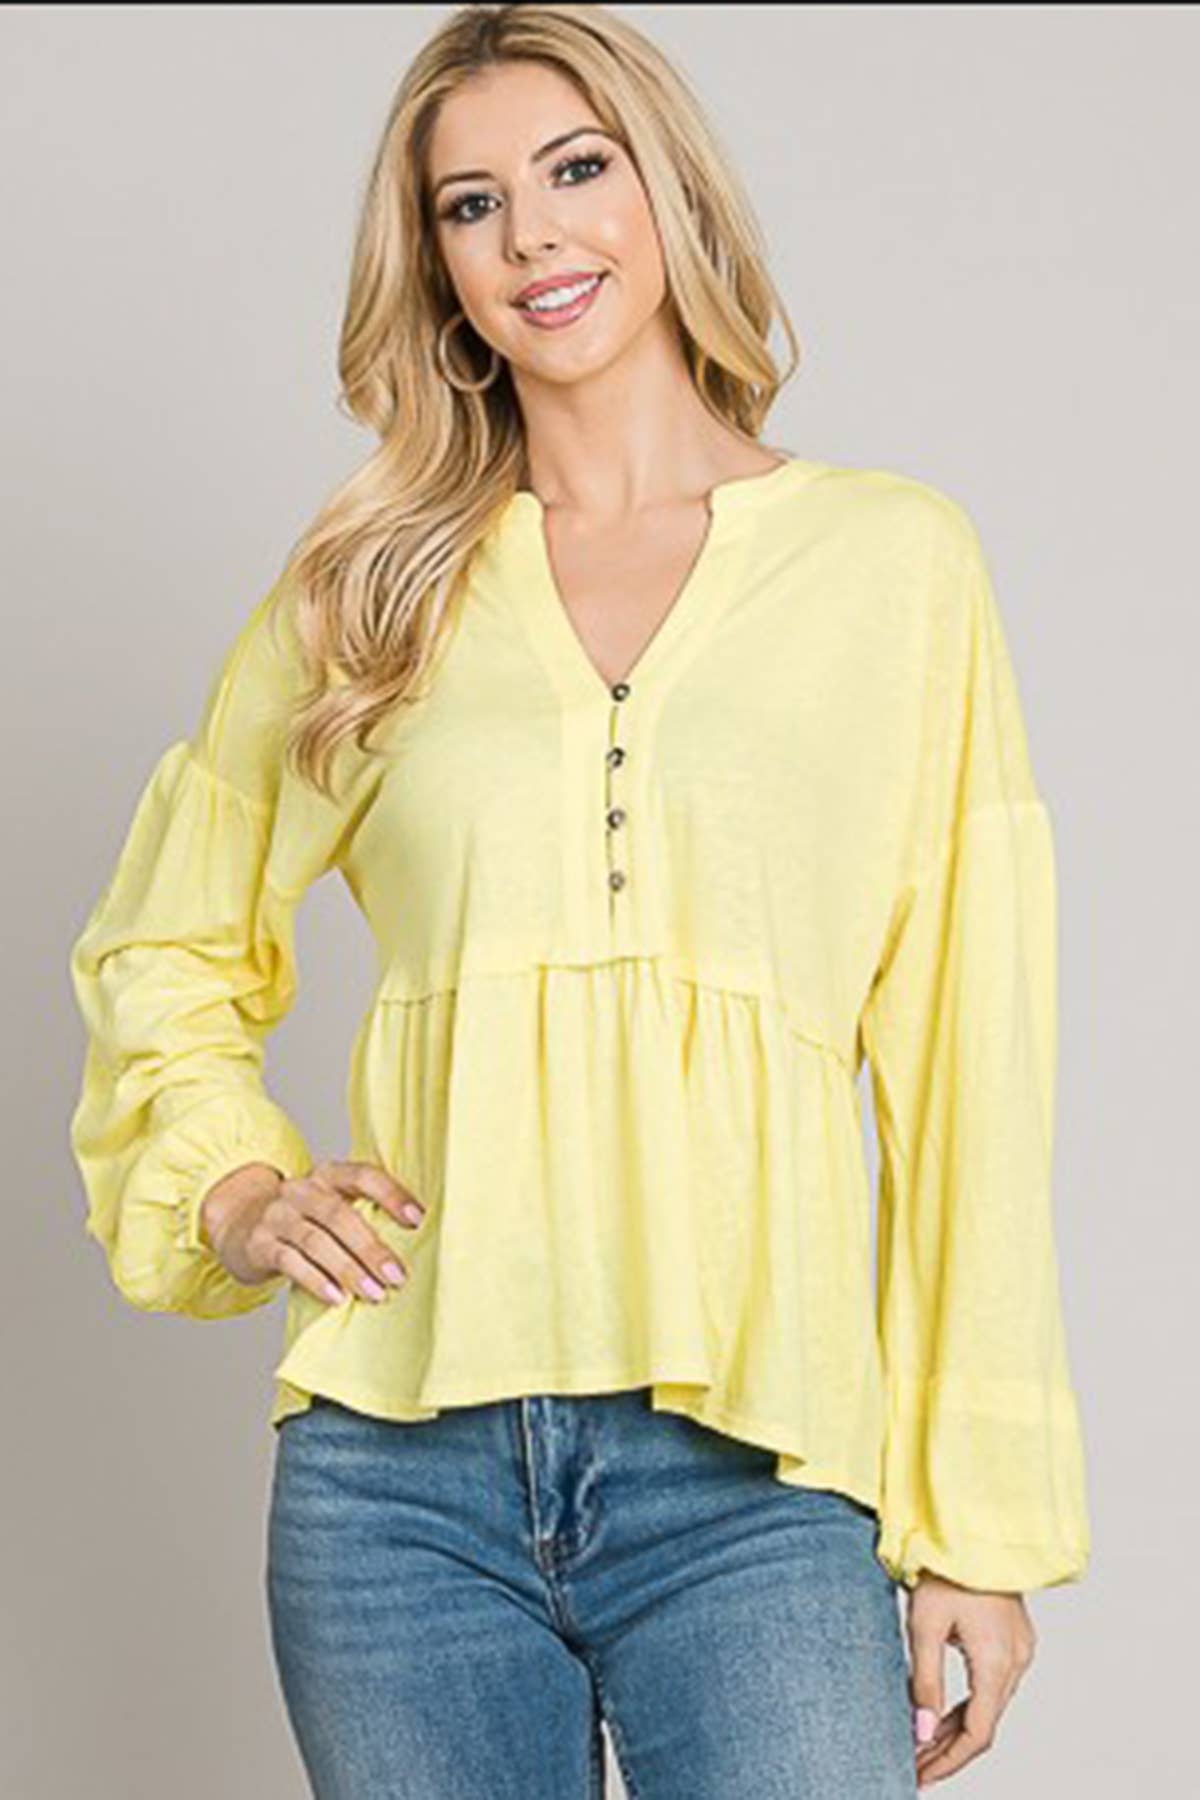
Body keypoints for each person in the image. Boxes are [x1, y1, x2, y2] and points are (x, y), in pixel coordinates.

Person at [66, 5, 1091, 1795]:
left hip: (757, 1478)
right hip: (397, 1487)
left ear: (667, 186)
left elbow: (967, 1066)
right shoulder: (370, 587)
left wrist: (978, 1524)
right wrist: (231, 1187)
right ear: (438, 265)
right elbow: (165, 938)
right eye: (472, 205)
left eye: (575, 169)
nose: (533, 235)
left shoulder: (892, 566)